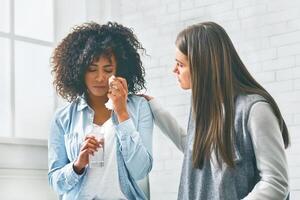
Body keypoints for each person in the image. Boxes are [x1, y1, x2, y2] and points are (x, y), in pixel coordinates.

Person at [145, 21, 290, 199]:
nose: (173, 70)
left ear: (202, 66)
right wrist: (155, 108)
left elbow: (275, 182)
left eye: (180, 64)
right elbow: (193, 149)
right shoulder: (205, 107)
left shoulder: (256, 110)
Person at [48, 22, 153, 200]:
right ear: (79, 71)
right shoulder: (63, 118)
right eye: (91, 69)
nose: (99, 78)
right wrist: (77, 165)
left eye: (108, 69)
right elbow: (55, 182)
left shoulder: (139, 107)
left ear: (120, 69)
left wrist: (122, 113)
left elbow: (140, 170)